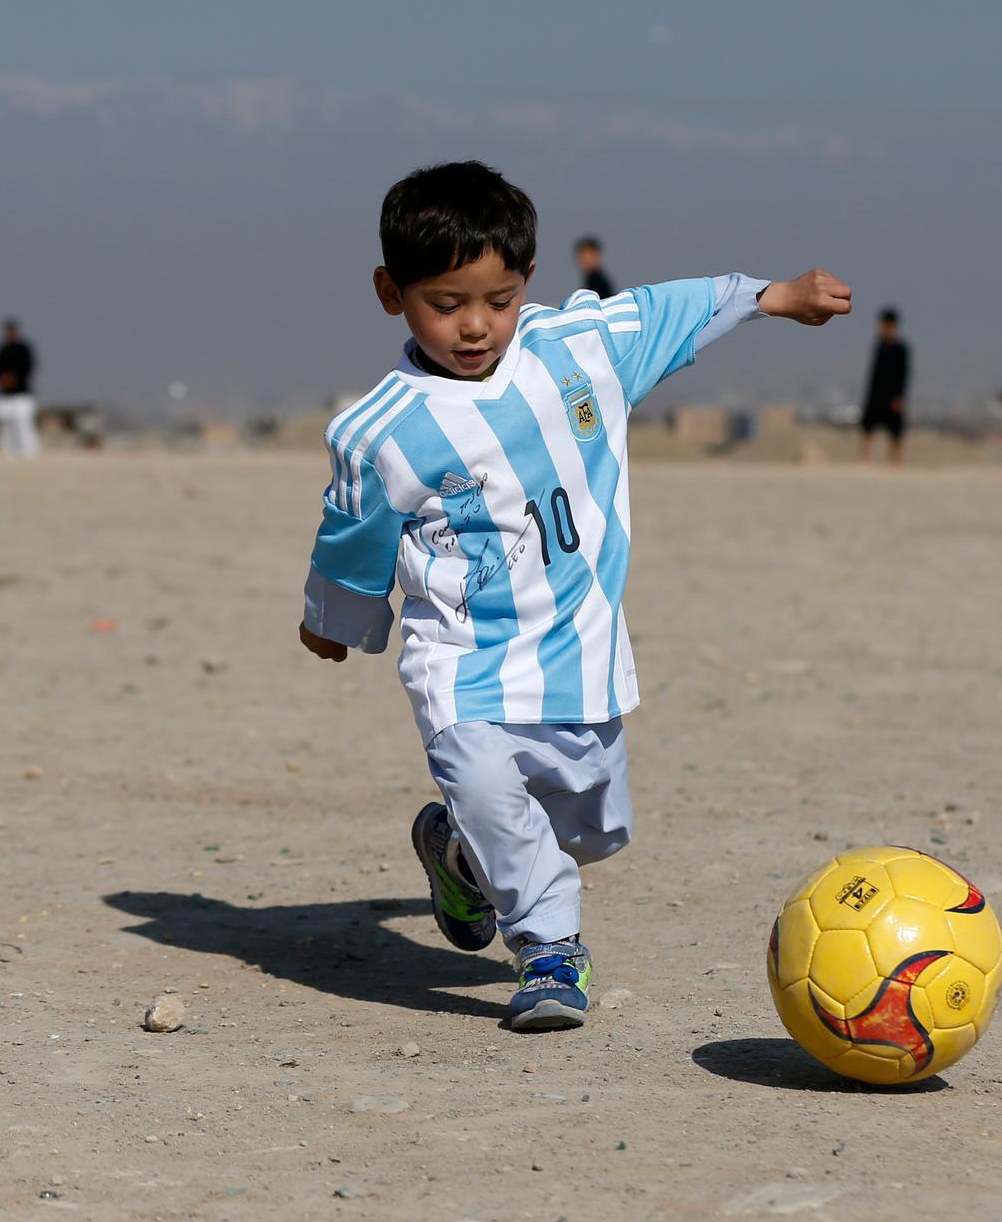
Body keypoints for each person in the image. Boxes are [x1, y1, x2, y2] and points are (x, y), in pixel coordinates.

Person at [297, 161, 850, 1031]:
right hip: (462, 666)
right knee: (486, 789)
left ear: (526, 285)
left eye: (500, 298)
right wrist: (337, 623)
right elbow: (353, 537)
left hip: (578, 653)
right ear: (390, 293)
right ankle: (550, 950)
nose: (476, 326)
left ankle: (457, 857)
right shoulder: (380, 433)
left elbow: (667, 310)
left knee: (591, 836)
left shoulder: (574, 352)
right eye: (446, 304)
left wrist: (773, 295)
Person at [858, 307, 910, 463]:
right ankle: (863, 460)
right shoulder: (879, 346)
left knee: (895, 431)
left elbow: (904, 374)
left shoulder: (900, 349)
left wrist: (899, 396)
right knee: (868, 427)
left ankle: (896, 462)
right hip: (876, 394)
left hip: (893, 396)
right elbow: (874, 373)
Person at [0, 318, 40, 459]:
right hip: (4, 395)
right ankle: (9, 452)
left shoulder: (24, 349)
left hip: (22, 394)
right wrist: (3, 380)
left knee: (24, 424)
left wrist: (14, 378)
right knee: (6, 425)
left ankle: (29, 453)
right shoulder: (1, 350)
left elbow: (29, 368)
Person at [572, 235, 616, 300]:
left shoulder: (598, 283)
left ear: (596, 256)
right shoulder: (592, 280)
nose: (582, 261)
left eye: (587, 258)